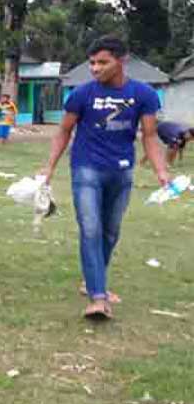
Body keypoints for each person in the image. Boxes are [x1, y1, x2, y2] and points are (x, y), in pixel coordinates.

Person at [41, 36, 169, 320]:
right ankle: (98, 298)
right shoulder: (82, 94)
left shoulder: (144, 94)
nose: (95, 68)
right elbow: (64, 131)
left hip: (121, 171)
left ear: (121, 61)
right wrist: (49, 167)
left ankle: (92, 279)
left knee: (110, 231)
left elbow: (148, 135)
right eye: (92, 63)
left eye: (102, 62)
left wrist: (161, 171)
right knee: (90, 229)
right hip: (86, 168)